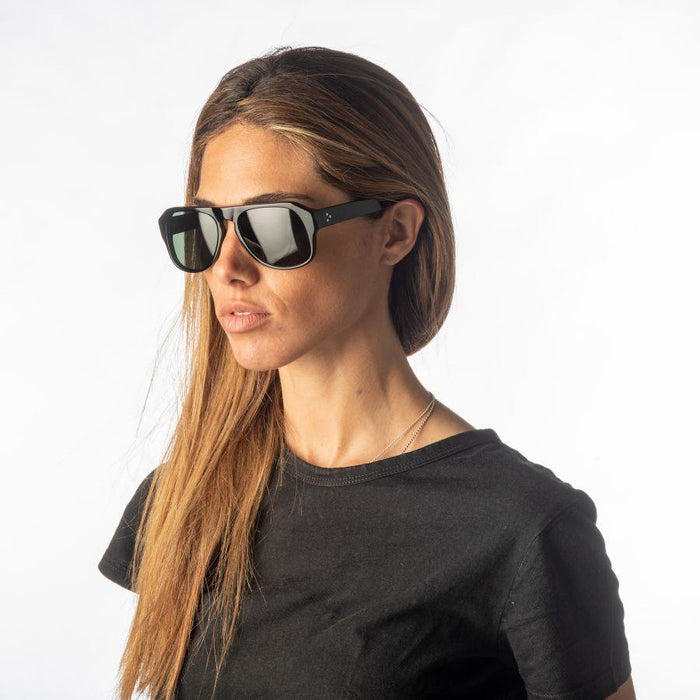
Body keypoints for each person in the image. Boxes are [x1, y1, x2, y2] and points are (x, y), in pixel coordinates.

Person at [98, 45, 635, 700]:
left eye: (274, 226)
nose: (227, 268)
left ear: (395, 232)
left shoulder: (522, 530)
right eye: (207, 226)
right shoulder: (188, 497)